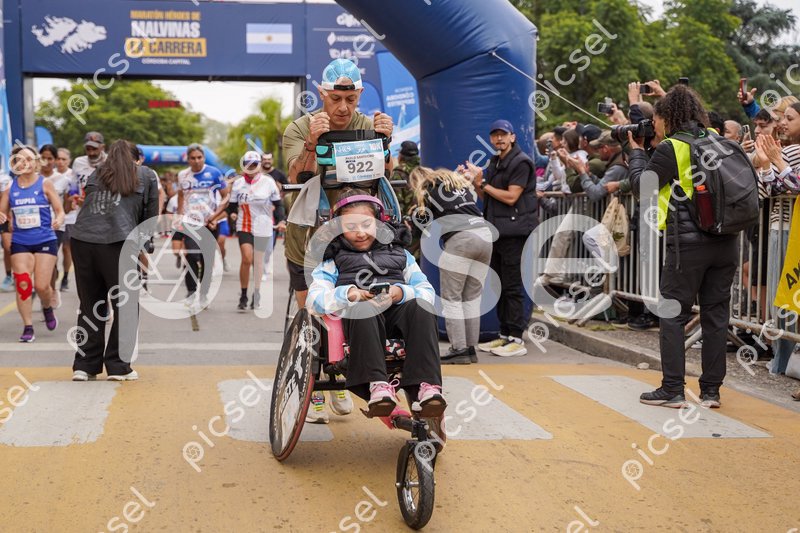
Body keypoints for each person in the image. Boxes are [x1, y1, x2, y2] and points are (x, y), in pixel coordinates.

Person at [282, 58, 393, 423]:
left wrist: (386, 142)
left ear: (359, 94)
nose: (343, 107)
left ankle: (343, 375)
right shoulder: (299, 127)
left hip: (353, 237)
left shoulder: (367, 125)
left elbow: (385, 174)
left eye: (351, 99)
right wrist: (312, 142)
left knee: (351, 305)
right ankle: (311, 385)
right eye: (335, 99)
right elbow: (297, 175)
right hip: (307, 238)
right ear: (322, 94)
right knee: (313, 313)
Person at [628, 84, 738, 409]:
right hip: (727, 242)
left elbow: (642, 188)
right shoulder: (718, 139)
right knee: (716, 316)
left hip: (688, 245)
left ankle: (672, 389)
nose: (655, 126)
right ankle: (711, 392)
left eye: (656, 120)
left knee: (672, 313)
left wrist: (637, 153)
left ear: (667, 118)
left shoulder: (672, 148)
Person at [306, 190, 445, 419]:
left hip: (399, 317)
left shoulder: (401, 255)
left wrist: (400, 292)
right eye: (351, 227)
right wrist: (349, 294)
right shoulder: (333, 259)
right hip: (361, 322)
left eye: (366, 224)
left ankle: (427, 387)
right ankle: (377, 386)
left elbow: (428, 293)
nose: (360, 233)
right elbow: (314, 300)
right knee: (364, 309)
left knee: (422, 306)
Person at [69, 140, 159, 381]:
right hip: (119, 243)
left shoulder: (97, 172)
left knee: (90, 305)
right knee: (126, 305)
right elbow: (150, 216)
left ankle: (85, 366)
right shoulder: (147, 174)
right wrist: (146, 247)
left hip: (82, 240)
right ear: (137, 159)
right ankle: (118, 366)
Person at [464, 119, 537, 357]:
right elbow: (487, 197)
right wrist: (475, 182)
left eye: (503, 134)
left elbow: (511, 197)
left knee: (513, 285)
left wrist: (483, 182)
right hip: (496, 231)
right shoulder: (495, 161)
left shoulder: (521, 162)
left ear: (512, 137)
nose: (499, 139)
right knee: (500, 285)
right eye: (495, 135)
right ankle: (504, 334)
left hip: (515, 233)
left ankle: (516, 337)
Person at [409, 167, 492, 365]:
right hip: (485, 235)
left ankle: (459, 349)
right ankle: (470, 348)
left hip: (461, 240)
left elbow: (421, 228)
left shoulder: (427, 190)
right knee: (472, 297)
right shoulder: (456, 184)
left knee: (452, 298)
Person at [0, 145, 65, 342]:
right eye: (20, 159)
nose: (24, 163)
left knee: (42, 286)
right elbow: (2, 212)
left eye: (28, 159)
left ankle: (47, 306)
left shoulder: (45, 184)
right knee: (23, 283)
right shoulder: (10, 189)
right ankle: (27, 326)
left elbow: (60, 210)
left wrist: (59, 219)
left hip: (45, 239)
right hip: (21, 241)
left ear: (36, 162)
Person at [754, 102, 800, 375]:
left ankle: (785, 361)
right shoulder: (785, 149)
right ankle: (782, 361)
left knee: (788, 301)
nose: (782, 123)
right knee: (780, 299)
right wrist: (765, 164)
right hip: (781, 229)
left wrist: (777, 161)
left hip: (789, 230)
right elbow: (772, 189)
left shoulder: (792, 151)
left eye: (789, 118)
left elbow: (795, 186)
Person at [228, 151, 286, 311]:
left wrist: (281, 220)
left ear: (259, 165)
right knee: (247, 258)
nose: (251, 167)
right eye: (248, 164)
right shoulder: (238, 184)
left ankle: (257, 293)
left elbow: (278, 205)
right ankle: (243, 294)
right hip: (244, 225)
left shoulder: (268, 182)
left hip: (263, 226)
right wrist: (232, 214)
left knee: (258, 262)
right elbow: (231, 206)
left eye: (254, 164)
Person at [177, 143, 230, 307]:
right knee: (192, 256)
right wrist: (179, 216)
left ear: (204, 158)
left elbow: (226, 197)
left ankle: (204, 294)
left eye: (199, 157)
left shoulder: (214, 173)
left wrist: (215, 216)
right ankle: (191, 292)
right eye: (193, 158)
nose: (196, 161)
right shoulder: (182, 175)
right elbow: (181, 195)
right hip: (190, 222)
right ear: (188, 159)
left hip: (209, 223)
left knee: (207, 259)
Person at [40, 144, 69, 309]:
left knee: (51, 260)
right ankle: (45, 289)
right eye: (43, 158)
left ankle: (51, 292)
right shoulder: (33, 177)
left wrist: (70, 206)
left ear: (55, 160)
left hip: (55, 226)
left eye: (50, 158)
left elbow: (67, 207)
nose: (46, 161)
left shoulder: (63, 179)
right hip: (35, 227)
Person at [56, 148, 75, 291]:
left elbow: (74, 195)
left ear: (69, 161)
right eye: (58, 159)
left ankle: (65, 277)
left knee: (67, 249)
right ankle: (54, 271)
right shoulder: (51, 175)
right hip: (54, 219)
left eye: (64, 159)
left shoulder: (72, 175)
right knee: (53, 250)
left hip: (70, 218)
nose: (60, 162)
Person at [0, 160, 14, 292]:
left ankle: (15, 275)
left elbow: (6, 199)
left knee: (8, 246)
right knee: (6, 247)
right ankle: (9, 275)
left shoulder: (5, 178)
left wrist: (10, 217)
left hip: (8, 216)